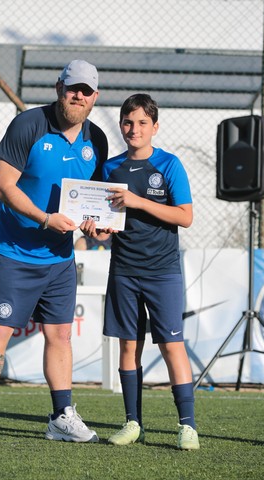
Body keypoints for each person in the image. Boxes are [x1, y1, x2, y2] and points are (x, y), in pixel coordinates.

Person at [0, 60, 108, 444]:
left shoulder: (98, 140)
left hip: (60, 258)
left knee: (60, 335)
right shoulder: (27, 125)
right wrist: (45, 219)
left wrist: (95, 224)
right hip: (15, 251)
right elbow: (2, 185)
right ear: (59, 87)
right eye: (72, 87)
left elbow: (90, 202)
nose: (78, 95)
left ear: (96, 97)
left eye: (86, 90)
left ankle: (61, 416)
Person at [80, 93, 199, 450]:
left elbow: (185, 216)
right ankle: (133, 423)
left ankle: (188, 426)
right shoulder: (110, 169)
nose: (135, 129)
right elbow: (105, 227)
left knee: (171, 345)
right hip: (125, 271)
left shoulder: (169, 164)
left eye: (142, 123)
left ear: (155, 127)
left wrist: (139, 201)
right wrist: (94, 231)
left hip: (163, 272)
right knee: (128, 346)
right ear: (121, 126)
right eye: (128, 123)